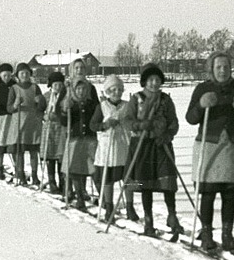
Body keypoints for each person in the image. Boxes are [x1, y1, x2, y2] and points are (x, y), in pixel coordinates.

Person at [185, 52, 234, 252]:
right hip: (208, 146)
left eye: (226, 67)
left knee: (228, 193)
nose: (223, 71)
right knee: (208, 193)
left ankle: (227, 235)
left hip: (231, 146)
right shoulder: (202, 88)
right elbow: (190, 118)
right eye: (218, 67)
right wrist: (201, 104)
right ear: (211, 69)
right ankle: (207, 234)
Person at [121, 64, 182, 238]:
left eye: (157, 80)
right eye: (151, 80)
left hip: (161, 145)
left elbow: (173, 122)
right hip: (142, 145)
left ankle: (172, 216)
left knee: (168, 182)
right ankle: (148, 221)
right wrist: (140, 125)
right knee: (144, 183)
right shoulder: (137, 99)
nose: (154, 83)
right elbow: (127, 120)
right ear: (145, 82)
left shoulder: (166, 100)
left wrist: (168, 135)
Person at [90, 75, 137, 223]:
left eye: (119, 89)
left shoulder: (128, 105)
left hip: (124, 145)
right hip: (107, 148)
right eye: (113, 90)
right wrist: (105, 125)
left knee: (128, 178)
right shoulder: (102, 106)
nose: (116, 92)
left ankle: (130, 206)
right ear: (108, 91)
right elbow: (93, 125)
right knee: (108, 179)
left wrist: (129, 124)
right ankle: (109, 207)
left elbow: (133, 121)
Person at [58, 78, 99, 209]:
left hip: (90, 140)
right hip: (75, 140)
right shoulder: (71, 104)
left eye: (84, 89)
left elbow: (97, 119)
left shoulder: (91, 104)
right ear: (75, 90)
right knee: (75, 170)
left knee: (94, 169)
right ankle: (79, 197)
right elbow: (64, 122)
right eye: (78, 89)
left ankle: (103, 197)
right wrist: (65, 110)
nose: (81, 91)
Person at [7, 62, 45, 187]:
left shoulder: (35, 87)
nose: (25, 75)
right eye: (22, 73)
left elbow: (42, 106)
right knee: (20, 150)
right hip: (19, 122)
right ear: (17, 75)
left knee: (34, 150)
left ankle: (34, 175)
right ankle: (21, 174)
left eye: (27, 73)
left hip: (33, 122)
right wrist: (15, 105)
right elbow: (9, 108)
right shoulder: (14, 88)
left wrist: (39, 102)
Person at [40, 71, 67, 195]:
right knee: (50, 156)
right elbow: (39, 111)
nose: (58, 87)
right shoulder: (46, 96)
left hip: (61, 128)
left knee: (61, 156)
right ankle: (52, 182)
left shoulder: (66, 96)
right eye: (55, 84)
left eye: (60, 84)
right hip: (49, 129)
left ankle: (63, 183)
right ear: (51, 85)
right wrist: (45, 116)